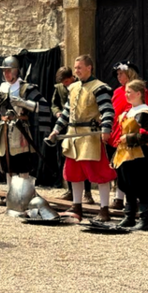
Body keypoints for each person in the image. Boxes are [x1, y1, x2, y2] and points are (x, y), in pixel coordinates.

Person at [49, 55, 116, 221]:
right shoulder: (73, 87)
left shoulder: (100, 88)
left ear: (89, 68)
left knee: (100, 174)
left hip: (90, 137)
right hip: (73, 136)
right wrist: (56, 130)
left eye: (79, 67)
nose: (76, 70)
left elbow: (108, 110)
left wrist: (106, 129)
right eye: (75, 67)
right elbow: (67, 112)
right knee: (74, 173)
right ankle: (76, 206)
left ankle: (104, 210)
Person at [0, 55, 50, 207]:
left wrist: (23, 102)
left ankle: (24, 197)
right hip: (4, 129)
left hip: (20, 130)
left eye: (9, 70)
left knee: (22, 165)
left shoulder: (26, 88)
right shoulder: (1, 88)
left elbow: (42, 106)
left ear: (16, 71)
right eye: (4, 71)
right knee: (8, 166)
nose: (6, 74)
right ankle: (11, 197)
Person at [109, 61, 148, 210]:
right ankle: (127, 210)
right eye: (117, 74)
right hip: (121, 140)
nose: (118, 77)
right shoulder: (118, 93)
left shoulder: (144, 101)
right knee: (124, 177)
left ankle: (142, 214)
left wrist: (130, 138)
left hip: (137, 146)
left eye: (121, 73)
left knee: (139, 181)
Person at [111, 80, 148, 231]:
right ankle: (129, 216)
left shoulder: (144, 112)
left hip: (138, 153)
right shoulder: (128, 112)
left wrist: (129, 138)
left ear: (138, 93)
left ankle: (144, 220)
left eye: (129, 92)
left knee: (141, 186)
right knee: (127, 185)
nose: (126, 95)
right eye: (126, 92)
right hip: (124, 153)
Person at [51, 66, 94, 203]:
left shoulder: (81, 86)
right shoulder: (59, 88)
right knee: (67, 160)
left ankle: (87, 193)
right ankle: (70, 191)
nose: (65, 85)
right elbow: (54, 104)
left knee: (84, 160)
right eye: (63, 83)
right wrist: (57, 113)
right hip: (65, 127)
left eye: (66, 81)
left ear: (72, 77)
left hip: (81, 128)